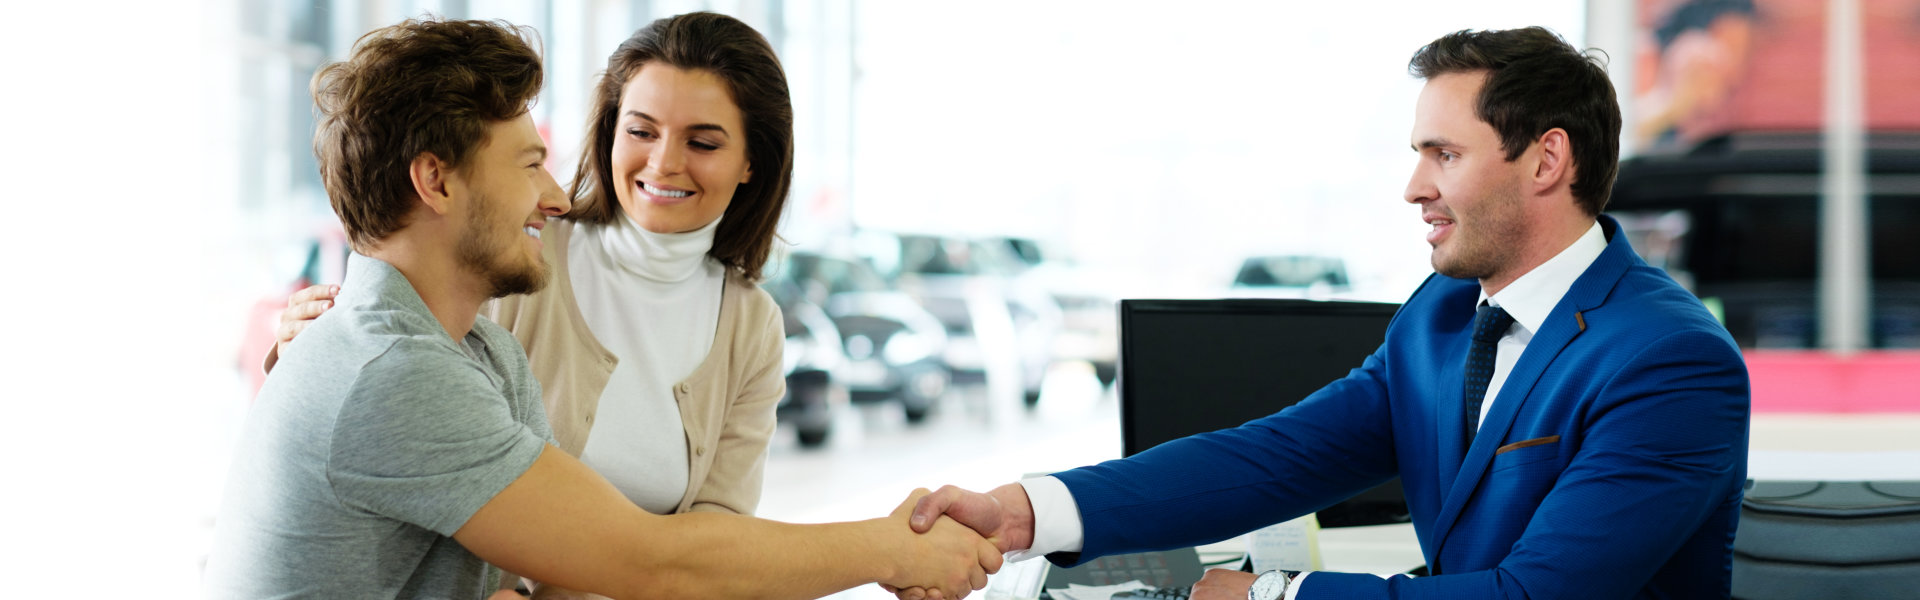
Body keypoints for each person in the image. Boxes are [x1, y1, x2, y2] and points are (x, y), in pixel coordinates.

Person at [894, 27, 1750, 600]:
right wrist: (1026, 513)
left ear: (1546, 160)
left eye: (1443, 155)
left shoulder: (1669, 361)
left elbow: (1533, 596)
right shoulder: (1443, 317)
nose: (1414, 188)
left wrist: (1279, 593)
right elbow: (1276, 457)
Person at [206, 17, 1000, 599]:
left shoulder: (484, 349)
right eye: (530, 164)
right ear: (436, 182)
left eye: (702, 140)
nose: (557, 197)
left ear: (753, 160)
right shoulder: (406, 361)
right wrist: (891, 551)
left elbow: (669, 554)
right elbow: (657, 562)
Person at [266, 12, 797, 596]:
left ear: (753, 162)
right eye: (641, 131)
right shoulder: (511, 259)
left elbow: (710, 549)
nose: (665, 162)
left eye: (701, 142)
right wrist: (315, 344)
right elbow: (396, 414)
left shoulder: (752, 324)